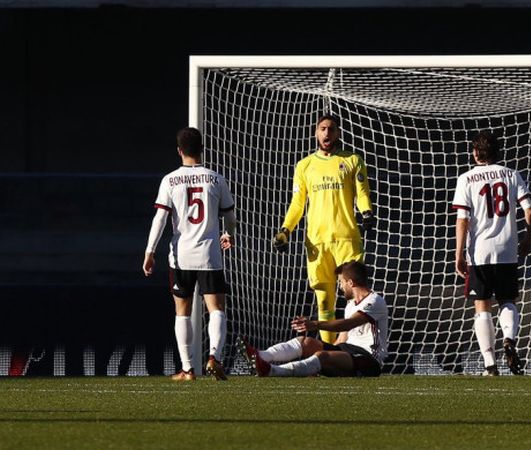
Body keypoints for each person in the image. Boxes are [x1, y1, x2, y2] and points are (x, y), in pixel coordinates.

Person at [143, 127, 237, 381]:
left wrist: (150, 251)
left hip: (181, 255)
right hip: (209, 255)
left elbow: (160, 218)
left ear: (179, 151)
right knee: (216, 309)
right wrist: (227, 234)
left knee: (181, 312)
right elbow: (230, 215)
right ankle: (215, 357)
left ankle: (188, 369)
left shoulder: (170, 180)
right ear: (202, 149)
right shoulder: (216, 178)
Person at [272, 115, 374, 344]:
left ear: (338, 133)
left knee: (357, 297)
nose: (327, 133)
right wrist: (285, 230)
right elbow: (297, 203)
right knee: (324, 302)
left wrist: (367, 212)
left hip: (347, 239)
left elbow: (362, 193)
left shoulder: (353, 160)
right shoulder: (305, 165)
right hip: (317, 242)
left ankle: (358, 348)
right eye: (322, 129)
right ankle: (328, 352)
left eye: (331, 129)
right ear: (316, 133)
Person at [452, 131, 531, 376]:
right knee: (508, 299)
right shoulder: (511, 175)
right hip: (508, 248)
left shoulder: (466, 178)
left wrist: (458, 254)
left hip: (480, 251)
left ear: (476, 152)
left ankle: (490, 365)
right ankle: (509, 338)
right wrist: (528, 237)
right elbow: (529, 210)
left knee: (482, 304)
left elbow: (462, 219)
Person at [241, 261, 388, 377]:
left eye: (341, 282)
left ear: (351, 283)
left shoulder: (375, 301)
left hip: (367, 359)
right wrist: (333, 351)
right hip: (348, 351)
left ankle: (272, 371)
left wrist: (315, 324)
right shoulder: (351, 305)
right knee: (305, 342)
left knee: (321, 356)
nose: (340, 286)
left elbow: (348, 324)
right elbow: (342, 339)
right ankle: (259, 356)